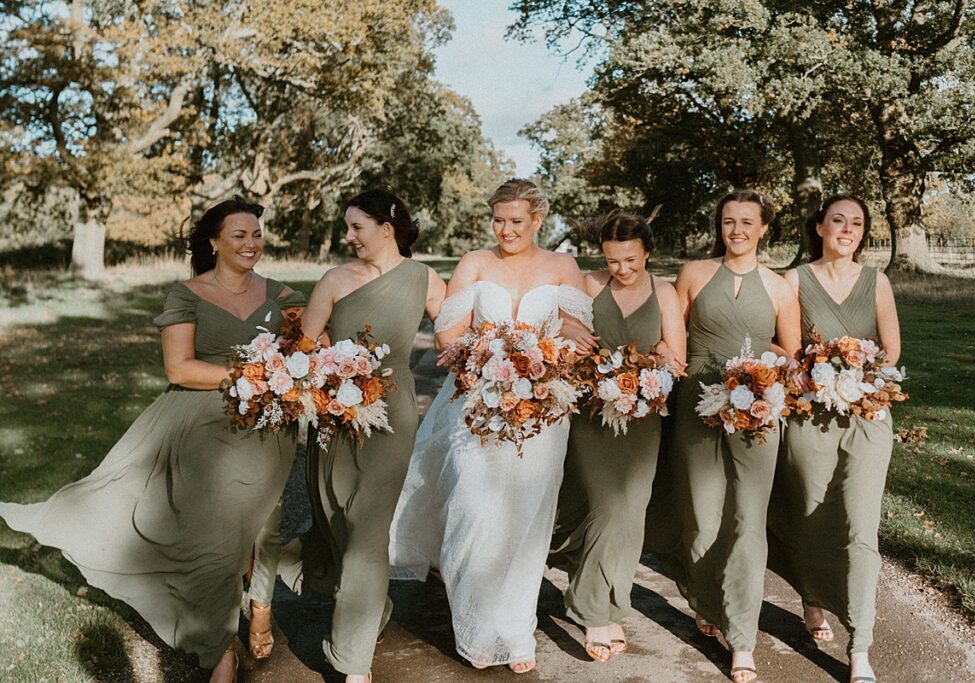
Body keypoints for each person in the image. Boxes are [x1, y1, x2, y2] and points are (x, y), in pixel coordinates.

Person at [0, 198, 305, 682]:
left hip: (269, 426)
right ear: (214, 242)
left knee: (265, 521)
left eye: (257, 235)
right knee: (219, 537)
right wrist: (252, 374)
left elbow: (310, 342)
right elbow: (179, 368)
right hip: (206, 421)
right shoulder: (186, 293)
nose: (252, 244)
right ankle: (220, 646)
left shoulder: (282, 295)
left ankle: (261, 604)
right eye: (239, 236)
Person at [388, 178, 594, 674]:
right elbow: (447, 333)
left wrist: (555, 340)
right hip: (475, 404)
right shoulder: (475, 264)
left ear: (538, 221)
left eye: (517, 222)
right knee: (475, 511)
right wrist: (489, 352)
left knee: (527, 516)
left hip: (543, 409)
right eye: (499, 220)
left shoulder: (562, 266)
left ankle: (515, 630)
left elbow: (578, 327)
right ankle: (477, 626)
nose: (506, 230)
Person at [254, 189, 445, 683]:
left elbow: (452, 343)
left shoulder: (425, 279)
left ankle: (352, 662)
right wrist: (332, 374)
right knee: (337, 518)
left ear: (387, 227)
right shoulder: (336, 278)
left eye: (357, 227)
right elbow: (308, 346)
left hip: (392, 414)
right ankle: (371, 606)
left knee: (367, 531)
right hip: (334, 414)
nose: (348, 236)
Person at [669, 189, 801, 682]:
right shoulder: (693, 274)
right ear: (719, 226)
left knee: (749, 519)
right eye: (729, 221)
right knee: (702, 517)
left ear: (764, 228)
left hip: (758, 406)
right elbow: (671, 335)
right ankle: (704, 596)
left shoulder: (780, 288)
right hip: (697, 402)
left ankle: (743, 638)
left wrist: (757, 375)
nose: (737, 230)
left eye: (748, 222)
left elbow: (790, 352)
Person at [767, 195, 900, 683]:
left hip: (868, 414)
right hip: (811, 418)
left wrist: (857, 367)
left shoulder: (877, 281)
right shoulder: (795, 280)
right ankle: (812, 596)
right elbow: (776, 339)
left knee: (861, 529)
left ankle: (859, 647)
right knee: (810, 514)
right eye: (838, 220)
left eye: (857, 223)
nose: (847, 229)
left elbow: (891, 349)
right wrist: (799, 368)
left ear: (864, 233)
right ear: (820, 226)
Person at [549, 212, 686, 661]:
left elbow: (677, 359)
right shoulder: (589, 286)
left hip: (644, 417)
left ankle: (604, 602)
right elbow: (557, 334)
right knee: (608, 505)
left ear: (647, 252)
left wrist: (662, 354)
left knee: (630, 511)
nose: (621, 269)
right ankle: (596, 612)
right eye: (612, 261)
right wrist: (568, 328)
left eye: (630, 260)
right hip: (593, 416)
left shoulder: (663, 291)